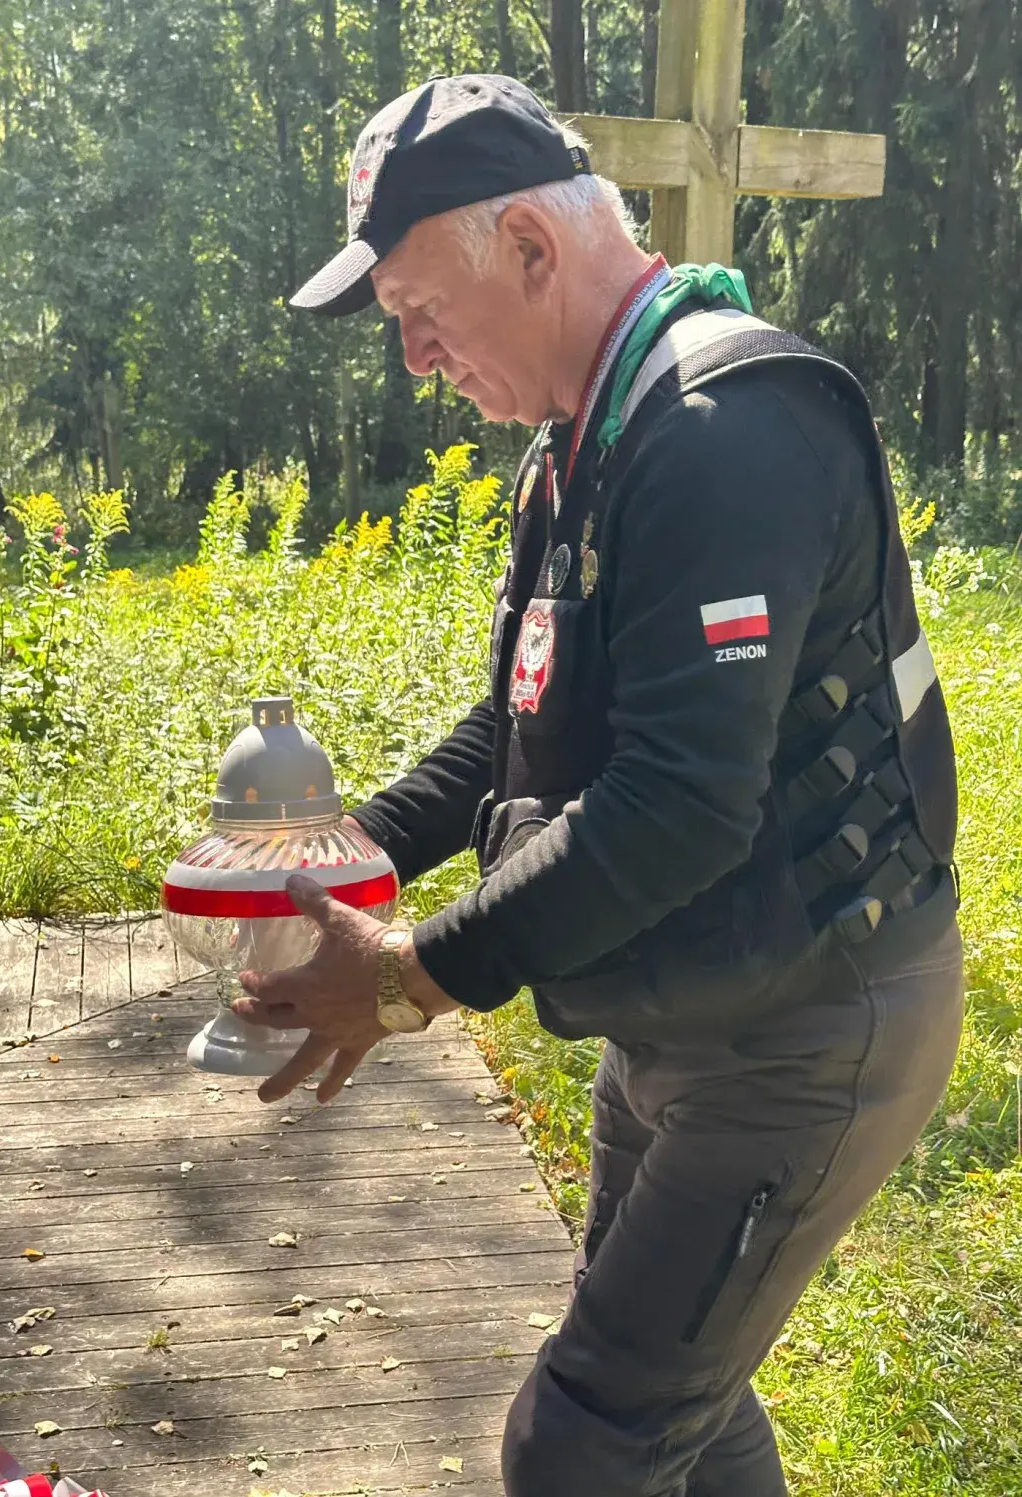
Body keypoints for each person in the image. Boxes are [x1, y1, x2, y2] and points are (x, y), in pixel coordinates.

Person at [231, 74, 965, 1497]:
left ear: (527, 247)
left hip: (807, 1031)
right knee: (675, 1402)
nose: (416, 360)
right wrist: (344, 850)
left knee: (580, 1438)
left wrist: (410, 978)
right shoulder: (587, 443)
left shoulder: (722, 429)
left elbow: (685, 804)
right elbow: (518, 726)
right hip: (690, 1003)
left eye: (413, 310)